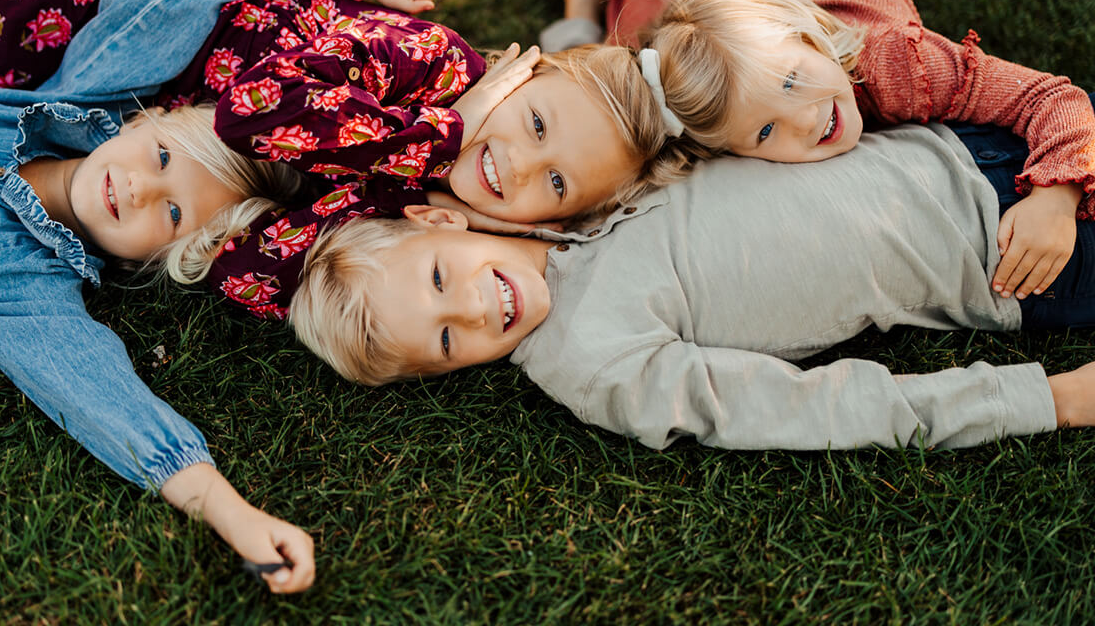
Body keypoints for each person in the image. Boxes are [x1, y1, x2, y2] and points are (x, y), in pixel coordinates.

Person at [0, 0, 456, 593]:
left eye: (170, 214)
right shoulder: (86, 97)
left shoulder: (13, 280)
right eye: (161, 160)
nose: (139, 188)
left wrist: (230, 511)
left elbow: (93, 390)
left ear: (164, 257)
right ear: (143, 125)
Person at [0, 0, 714, 322]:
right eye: (534, 124)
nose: (521, 166)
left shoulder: (429, 211)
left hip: (146, 114)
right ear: (513, 75)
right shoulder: (436, 70)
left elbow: (251, 277)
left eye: (557, 181)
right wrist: (447, 127)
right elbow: (256, 116)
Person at [289, 119, 1095, 452]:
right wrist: (1044, 401)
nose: (470, 308)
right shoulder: (590, 362)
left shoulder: (546, 194)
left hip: (975, 145)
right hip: (1015, 259)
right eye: (444, 339)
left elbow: (604, 100)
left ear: (441, 225)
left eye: (438, 280)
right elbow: (807, 408)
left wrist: (577, 8)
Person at [542, 0, 1095, 304]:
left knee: (637, 67)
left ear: (810, 36)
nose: (805, 118)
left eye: (792, 80)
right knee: (634, 86)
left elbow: (1050, 97)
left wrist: (1056, 195)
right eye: (763, 131)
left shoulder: (902, 63)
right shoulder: (750, 99)